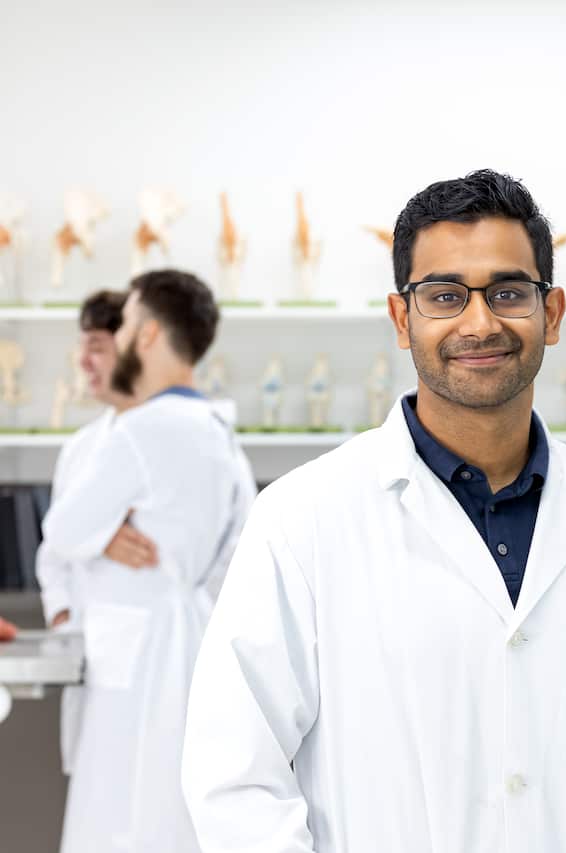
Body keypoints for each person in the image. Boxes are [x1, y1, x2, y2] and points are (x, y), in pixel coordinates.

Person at [181, 170, 566, 852]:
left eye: (510, 291)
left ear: (552, 314)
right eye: (445, 295)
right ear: (404, 320)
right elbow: (236, 780)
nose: (480, 321)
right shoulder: (301, 520)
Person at [40, 270, 255, 853]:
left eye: (129, 324)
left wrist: (101, 530)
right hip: (188, 648)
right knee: (167, 813)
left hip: (138, 662)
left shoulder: (142, 430)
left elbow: (61, 528)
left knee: (121, 816)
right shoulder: (218, 430)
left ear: (150, 335)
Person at [34, 290, 158, 777]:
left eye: (98, 347)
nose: (84, 361)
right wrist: (64, 616)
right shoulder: (82, 448)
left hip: (155, 664)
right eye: (82, 347)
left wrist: (90, 535)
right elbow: (52, 553)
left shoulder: (173, 435)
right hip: (88, 658)